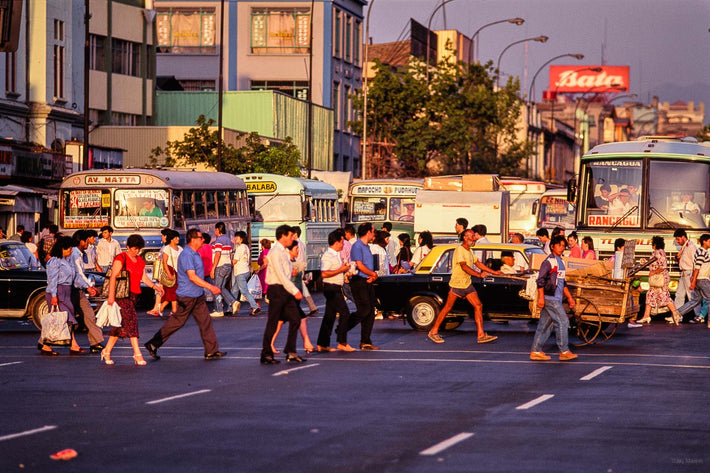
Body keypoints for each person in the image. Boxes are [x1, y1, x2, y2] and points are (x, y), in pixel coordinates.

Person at [144, 228, 226, 361]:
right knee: (177, 322)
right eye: (200, 238)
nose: (203, 239)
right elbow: (192, 277)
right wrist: (211, 287)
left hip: (197, 295)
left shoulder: (195, 253)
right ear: (193, 240)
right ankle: (153, 343)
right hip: (187, 296)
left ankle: (211, 350)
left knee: (205, 322)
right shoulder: (187, 254)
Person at [427, 229, 501, 344]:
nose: (474, 239)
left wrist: (494, 272)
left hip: (467, 284)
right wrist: (478, 275)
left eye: (474, 236)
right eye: (471, 236)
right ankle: (433, 331)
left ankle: (481, 335)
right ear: (465, 238)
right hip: (457, 284)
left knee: (478, 305)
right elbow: (464, 267)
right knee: (447, 308)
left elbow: (478, 263)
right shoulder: (459, 250)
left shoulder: (469, 251)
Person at [101, 234, 164, 365]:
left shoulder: (140, 261)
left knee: (120, 325)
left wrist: (155, 287)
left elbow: (144, 278)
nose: (136, 251)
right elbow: (113, 277)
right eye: (134, 248)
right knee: (132, 322)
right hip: (121, 296)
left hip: (133, 296)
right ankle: (137, 354)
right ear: (127, 247)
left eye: (138, 249)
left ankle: (106, 351)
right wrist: (111, 297)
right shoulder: (121, 258)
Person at [259, 224, 305, 365]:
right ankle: (266, 354)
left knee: (296, 318)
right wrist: (295, 290)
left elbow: (285, 273)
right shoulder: (275, 253)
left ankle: (290, 351)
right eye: (291, 235)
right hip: (277, 290)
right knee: (273, 322)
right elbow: (280, 276)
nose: (293, 238)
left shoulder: (284, 252)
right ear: (283, 236)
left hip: (284, 289)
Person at [530, 235, 578, 361]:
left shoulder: (560, 262)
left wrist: (569, 298)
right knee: (563, 321)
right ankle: (564, 351)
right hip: (550, 298)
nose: (561, 248)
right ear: (552, 246)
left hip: (554, 298)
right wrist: (541, 298)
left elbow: (563, 283)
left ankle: (536, 351)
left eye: (563, 246)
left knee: (545, 324)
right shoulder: (549, 262)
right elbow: (540, 280)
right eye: (559, 245)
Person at [40, 236, 86, 356]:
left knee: (60, 319)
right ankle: (74, 345)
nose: (71, 251)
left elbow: (75, 276)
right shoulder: (54, 261)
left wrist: (87, 286)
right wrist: (54, 296)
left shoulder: (68, 261)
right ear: (62, 249)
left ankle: (46, 345)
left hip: (66, 291)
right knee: (66, 318)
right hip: (57, 291)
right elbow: (52, 280)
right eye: (68, 249)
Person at [271, 241, 316, 354]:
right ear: (289, 250)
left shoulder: (293, 261)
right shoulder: (285, 262)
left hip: (294, 295)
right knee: (287, 320)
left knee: (295, 319)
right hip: (287, 296)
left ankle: (306, 343)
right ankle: (280, 347)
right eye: (296, 248)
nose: (298, 250)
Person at [317, 229, 353, 352]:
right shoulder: (328, 255)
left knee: (330, 316)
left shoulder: (336, 254)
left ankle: (322, 343)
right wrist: (341, 270)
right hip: (331, 287)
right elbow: (324, 273)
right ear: (337, 242)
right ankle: (342, 341)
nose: (343, 245)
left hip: (336, 286)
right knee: (345, 313)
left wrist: (345, 272)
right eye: (342, 242)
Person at [347, 222, 380, 350]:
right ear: (368, 232)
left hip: (367, 280)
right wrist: (372, 273)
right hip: (358, 281)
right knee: (364, 309)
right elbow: (359, 265)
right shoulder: (357, 246)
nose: (374, 233)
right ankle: (344, 327)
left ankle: (365, 341)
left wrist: (372, 276)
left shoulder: (367, 247)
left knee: (370, 312)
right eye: (372, 231)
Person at [70, 230, 105, 353]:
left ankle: (95, 342)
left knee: (89, 315)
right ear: (82, 241)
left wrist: (88, 286)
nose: (89, 243)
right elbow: (78, 274)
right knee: (65, 318)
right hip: (71, 289)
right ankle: (44, 342)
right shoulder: (74, 253)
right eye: (87, 240)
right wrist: (89, 287)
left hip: (79, 290)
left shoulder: (80, 253)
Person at [636, 236, 681, 325]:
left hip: (660, 278)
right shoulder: (658, 252)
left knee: (664, 296)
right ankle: (646, 316)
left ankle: (676, 315)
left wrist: (653, 272)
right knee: (650, 295)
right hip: (657, 279)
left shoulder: (659, 252)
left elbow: (662, 267)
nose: (651, 244)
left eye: (652, 243)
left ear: (655, 244)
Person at [675, 234, 710, 326]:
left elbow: (695, 265)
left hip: (699, 279)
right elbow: (697, 267)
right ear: (704, 241)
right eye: (709, 241)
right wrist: (693, 281)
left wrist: (693, 279)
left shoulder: (699, 251)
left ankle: (678, 312)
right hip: (702, 279)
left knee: (695, 301)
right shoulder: (703, 252)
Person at [210, 222, 237, 317]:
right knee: (221, 287)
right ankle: (233, 302)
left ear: (217, 230)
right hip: (228, 265)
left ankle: (219, 309)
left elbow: (217, 254)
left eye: (215, 229)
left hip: (220, 266)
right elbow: (230, 254)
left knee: (216, 288)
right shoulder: (228, 240)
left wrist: (213, 268)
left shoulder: (218, 241)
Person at [231, 231, 260, 316]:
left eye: (237, 237)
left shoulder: (240, 248)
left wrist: (229, 261)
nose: (235, 238)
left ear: (241, 239)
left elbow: (234, 261)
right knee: (234, 290)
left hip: (240, 272)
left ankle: (255, 307)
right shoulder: (246, 247)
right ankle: (230, 308)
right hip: (245, 271)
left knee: (244, 291)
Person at [292, 226, 319, 316]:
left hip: (296, 267)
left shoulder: (295, 244)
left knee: (293, 287)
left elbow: (294, 257)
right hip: (302, 267)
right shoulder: (302, 244)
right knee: (303, 288)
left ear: (295, 234)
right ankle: (312, 307)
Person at [673, 229, 699, 321]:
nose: (677, 241)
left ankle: (698, 316)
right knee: (679, 295)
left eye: (678, 239)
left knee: (692, 296)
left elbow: (695, 262)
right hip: (683, 273)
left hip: (689, 273)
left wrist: (694, 276)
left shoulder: (691, 246)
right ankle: (677, 316)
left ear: (683, 237)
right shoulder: (684, 246)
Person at [147, 228, 170, 317]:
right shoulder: (166, 247)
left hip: (163, 272)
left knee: (159, 289)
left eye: (162, 235)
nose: (161, 237)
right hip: (164, 271)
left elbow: (162, 259)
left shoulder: (166, 248)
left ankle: (157, 308)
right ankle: (157, 307)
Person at [160, 229, 182, 317]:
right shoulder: (167, 248)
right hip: (170, 271)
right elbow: (164, 262)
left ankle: (162, 308)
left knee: (174, 293)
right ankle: (173, 310)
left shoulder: (180, 248)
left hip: (178, 272)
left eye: (178, 237)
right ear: (172, 239)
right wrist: (169, 274)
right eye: (176, 237)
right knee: (171, 292)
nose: (178, 239)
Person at [256, 239, 271, 307]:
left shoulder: (264, 252)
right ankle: (257, 304)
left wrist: (258, 269)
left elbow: (265, 264)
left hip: (264, 273)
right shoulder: (270, 251)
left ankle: (257, 305)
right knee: (264, 290)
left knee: (261, 289)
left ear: (263, 245)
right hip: (270, 272)